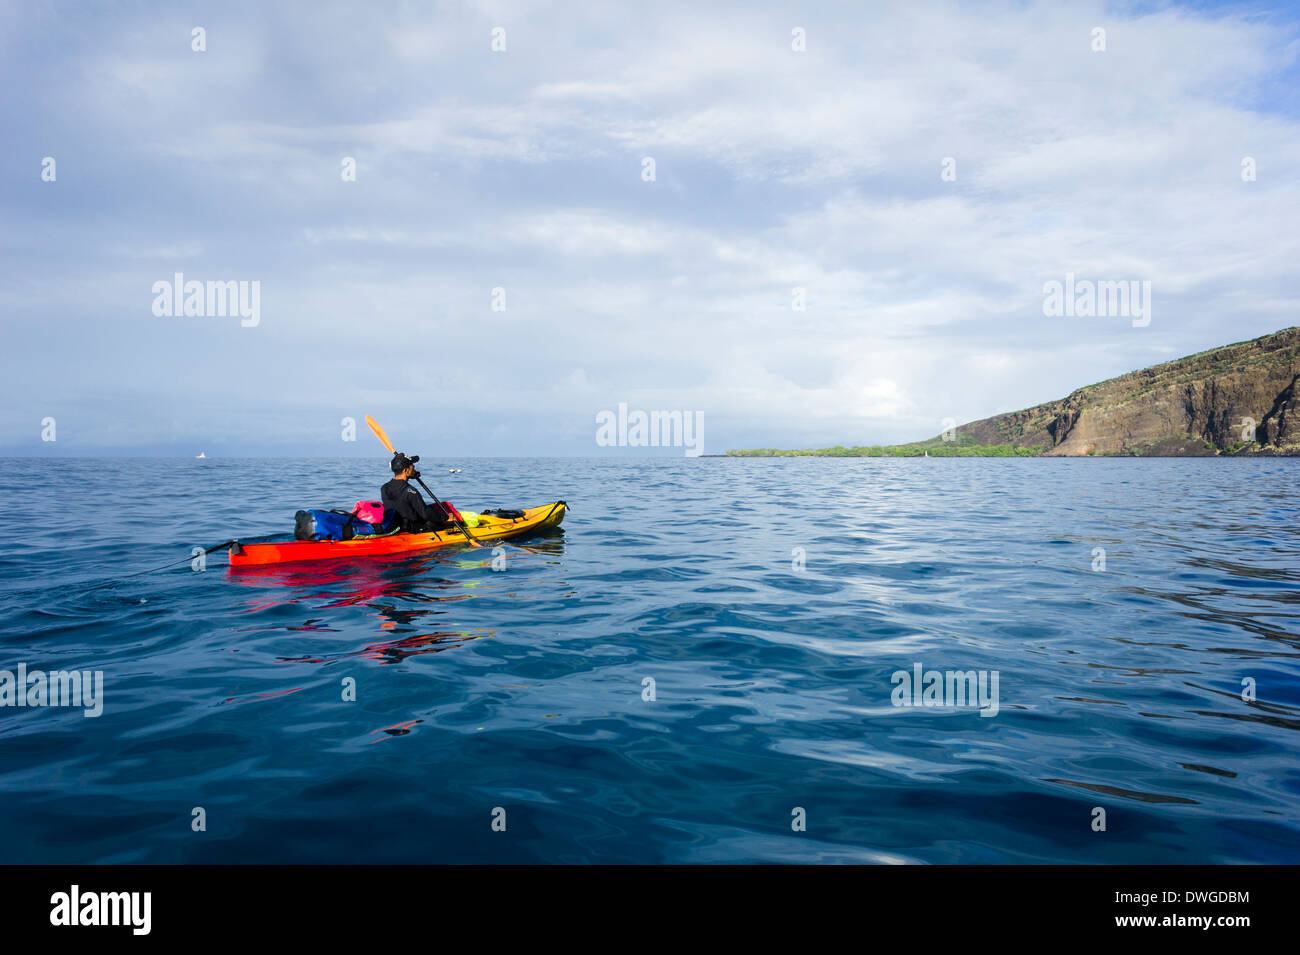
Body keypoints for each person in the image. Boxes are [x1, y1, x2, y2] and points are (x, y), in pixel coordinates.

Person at [380, 453, 452, 532]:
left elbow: (400, 501)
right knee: (440, 522)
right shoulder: (410, 491)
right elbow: (425, 513)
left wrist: (411, 475)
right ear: (406, 470)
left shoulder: (384, 487)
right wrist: (446, 517)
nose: (414, 469)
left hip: (394, 526)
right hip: (412, 528)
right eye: (412, 467)